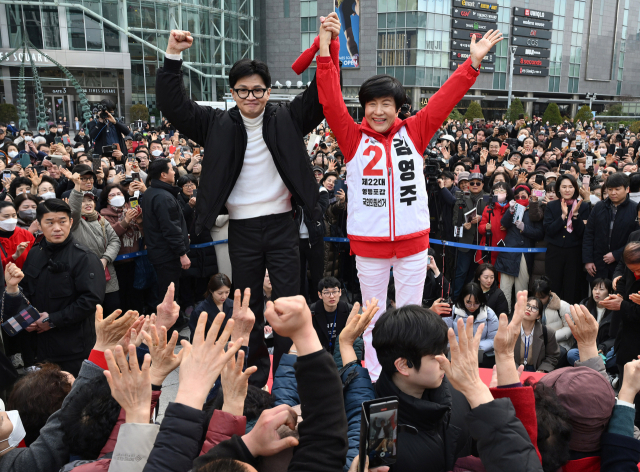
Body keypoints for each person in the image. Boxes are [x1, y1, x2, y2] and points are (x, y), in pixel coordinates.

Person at [156, 21, 344, 386]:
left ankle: (290, 374)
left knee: (289, 300)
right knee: (246, 305)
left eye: (258, 90)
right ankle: (254, 379)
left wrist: (326, 45)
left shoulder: (288, 117)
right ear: (233, 93)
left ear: (269, 91)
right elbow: (174, 106)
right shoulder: (215, 123)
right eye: (243, 91)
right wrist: (173, 56)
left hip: (282, 225)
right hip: (241, 228)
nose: (251, 97)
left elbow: (322, 93)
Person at [317, 17, 502, 379]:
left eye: (387, 103)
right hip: (368, 248)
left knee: (410, 314)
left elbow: (444, 101)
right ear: (364, 107)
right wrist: (325, 50)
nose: (379, 111)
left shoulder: (414, 132)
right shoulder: (352, 138)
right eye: (372, 104)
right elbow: (329, 100)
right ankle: (373, 376)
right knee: (371, 317)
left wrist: (473, 63)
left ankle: (407, 375)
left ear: (399, 107)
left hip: (414, 246)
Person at [2, 199, 105, 376]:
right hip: (37, 348)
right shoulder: (35, 252)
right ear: (39, 225)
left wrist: (52, 320)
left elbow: (90, 300)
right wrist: (27, 320)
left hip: (71, 348)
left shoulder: (84, 257)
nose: (57, 228)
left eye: (62, 221)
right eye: (49, 222)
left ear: (71, 222)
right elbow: (25, 290)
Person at [141, 158, 190, 330]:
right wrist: (182, 253)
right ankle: (169, 331)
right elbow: (170, 229)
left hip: (160, 253)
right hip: (167, 255)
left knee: (166, 292)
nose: (174, 172)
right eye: (171, 169)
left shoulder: (150, 193)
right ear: (163, 174)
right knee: (169, 295)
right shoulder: (163, 197)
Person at [67, 173, 121, 317]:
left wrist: (105, 259)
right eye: (83, 201)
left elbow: (115, 241)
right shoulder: (75, 222)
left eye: (90, 200)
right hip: (85, 274)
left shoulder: (101, 219)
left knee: (113, 311)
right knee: (93, 314)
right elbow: (73, 210)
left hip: (108, 273)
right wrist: (77, 186)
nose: (88, 204)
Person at [543, 174, 591, 304]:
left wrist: (575, 216)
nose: (567, 190)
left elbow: (582, 233)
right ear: (559, 189)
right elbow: (549, 231)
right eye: (564, 187)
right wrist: (563, 216)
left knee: (572, 287)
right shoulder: (551, 206)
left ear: (575, 188)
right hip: (555, 251)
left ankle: (571, 316)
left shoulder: (584, 206)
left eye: (570, 187)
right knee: (553, 285)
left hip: (574, 252)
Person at [496, 184, 543, 313]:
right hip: (509, 252)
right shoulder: (512, 208)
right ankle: (504, 315)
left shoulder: (534, 210)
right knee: (505, 288)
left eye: (523, 196)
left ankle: (521, 317)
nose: (520, 198)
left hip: (524, 253)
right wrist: (510, 211)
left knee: (521, 289)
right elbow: (504, 223)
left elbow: (539, 233)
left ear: (529, 196)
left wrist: (524, 228)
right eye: (517, 196)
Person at [99, 183, 144, 313]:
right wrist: (126, 221)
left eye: (119, 194)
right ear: (107, 199)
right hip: (117, 264)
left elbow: (143, 233)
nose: (116, 196)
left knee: (137, 296)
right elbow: (109, 235)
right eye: (112, 195)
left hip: (136, 261)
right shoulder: (103, 216)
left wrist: (140, 220)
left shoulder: (132, 210)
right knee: (122, 297)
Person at [176, 174, 218, 313]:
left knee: (204, 272)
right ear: (181, 187)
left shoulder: (204, 198)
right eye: (186, 185)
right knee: (187, 276)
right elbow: (178, 218)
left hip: (204, 241)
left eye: (192, 184)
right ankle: (188, 303)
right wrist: (189, 206)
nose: (189, 187)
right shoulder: (177, 200)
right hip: (188, 243)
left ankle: (202, 300)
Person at [583, 172, 636, 282]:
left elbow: (636, 240)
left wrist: (617, 254)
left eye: (617, 189)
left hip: (622, 265)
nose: (613, 193)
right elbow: (589, 234)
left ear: (627, 189)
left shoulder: (635, 209)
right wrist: (588, 260)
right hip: (598, 263)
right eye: (610, 189)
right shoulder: (599, 207)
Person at [566, 278, 615, 366]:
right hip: (586, 348)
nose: (597, 292)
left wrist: (604, 347)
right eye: (595, 289)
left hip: (605, 350)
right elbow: (577, 331)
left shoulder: (615, 311)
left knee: (617, 356)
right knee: (572, 354)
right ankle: (599, 371)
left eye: (601, 289)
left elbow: (616, 337)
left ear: (609, 292)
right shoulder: (584, 306)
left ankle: (590, 370)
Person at [447, 282, 498, 365]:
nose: (472, 306)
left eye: (476, 303)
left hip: (480, 357)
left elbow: (494, 339)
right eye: (468, 302)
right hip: (456, 355)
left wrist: (475, 346)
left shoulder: (489, 314)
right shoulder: (452, 312)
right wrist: (460, 345)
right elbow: (444, 337)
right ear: (462, 298)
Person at [514, 296, 560, 372]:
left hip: (536, 370)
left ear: (538, 316)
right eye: (527, 305)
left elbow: (552, 356)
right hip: (515, 369)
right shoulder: (511, 330)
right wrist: (514, 369)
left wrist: (542, 369)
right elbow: (504, 353)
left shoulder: (547, 332)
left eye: (534, 308)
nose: (529, 309)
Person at [309, 277, 351, 356]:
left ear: (340, 292)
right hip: (319, 353)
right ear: (320, 295)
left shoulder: (348, 309)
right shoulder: (312, 311)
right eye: (327, 293)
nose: (331, 296)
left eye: (335, 292)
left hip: (342, 352)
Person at [188, 273, 234, 343]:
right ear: (211, 290)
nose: (224, 296)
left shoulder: (233, 305)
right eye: (220, 293)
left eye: (227, 292)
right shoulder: (200, 311)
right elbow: (195, 339)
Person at [477, 182, 510, 266]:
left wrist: (509, 226)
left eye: (502, 190)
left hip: (505, 249)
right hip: (488, 248)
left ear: (507, 193)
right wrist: (485, 227)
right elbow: (480, 228)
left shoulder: (511, 208)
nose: (499, 192)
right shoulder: (488, 208)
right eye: (496, 190)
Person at [0, 201, 34, 270]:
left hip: (25, 279)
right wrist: (15, 256)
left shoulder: (25, 234)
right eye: (6, 216)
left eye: (14, 215)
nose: (11, 219)